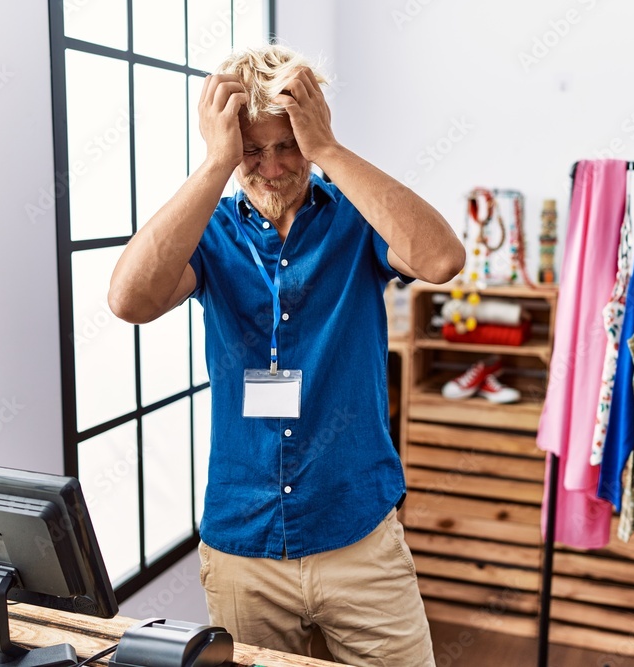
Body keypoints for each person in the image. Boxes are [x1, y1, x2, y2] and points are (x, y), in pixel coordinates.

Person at [108, 44, 464, 667]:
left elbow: (441, 259)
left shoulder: (355, 219)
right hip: (244, 548)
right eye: (252, 149)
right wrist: (217, 163)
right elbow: (129, 300)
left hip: (359, 540)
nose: (271, 169)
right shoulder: (210, 232)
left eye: (288, 145)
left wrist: (328, 149)